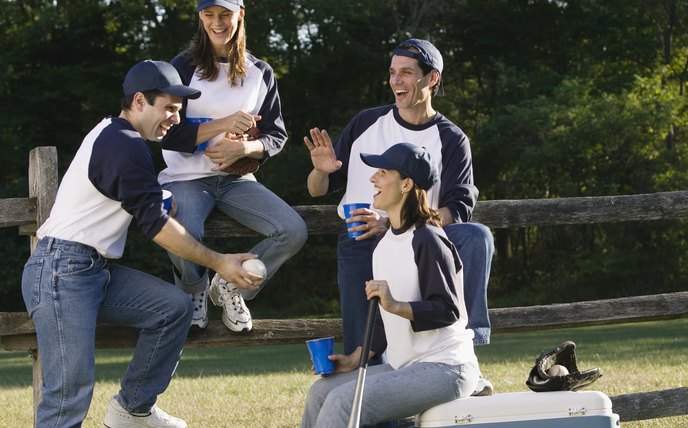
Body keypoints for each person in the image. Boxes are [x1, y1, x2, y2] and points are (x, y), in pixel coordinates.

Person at [21, 59, 259, 428]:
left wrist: (163, 198)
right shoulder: (124, 144)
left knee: (173, 308)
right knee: (68, 395)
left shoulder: (115, 135)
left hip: (89, 270)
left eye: (178, 111)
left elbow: (133, 197)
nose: (175, 119)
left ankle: (131, 409)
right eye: (169, 108)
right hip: (60, 272)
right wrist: (218, 262)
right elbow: (158, 228)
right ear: (138, 101)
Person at [304, 38, 495, 395]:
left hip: (420, 238)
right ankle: (374, 399)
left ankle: (468, 354)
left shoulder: (452, 139)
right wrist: (321, 170)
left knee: (475, 235)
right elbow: (318, 189)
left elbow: (458, 206)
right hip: (359, 237)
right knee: (366, 349)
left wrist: (398, 224)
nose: (396, 81)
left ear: (431, 79)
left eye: (406, 73)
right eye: (393, 73)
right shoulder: (366, 122)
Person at [301, 143, 480, 427]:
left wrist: (395, 304)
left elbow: (448, 310)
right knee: (322, 392)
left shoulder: (428, 239)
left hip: (447, 368)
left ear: (407, 184)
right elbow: (385, 324)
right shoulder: (383, 246)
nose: (373, 179)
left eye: (383, 172)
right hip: (405, 367)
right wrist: (354, 359)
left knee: (343, 403)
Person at [159, 0, 307, 332]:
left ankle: (230, 286)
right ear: (200, 17)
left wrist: (244, 147)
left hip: (237, 182)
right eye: (209, 14)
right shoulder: (181, 67)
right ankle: (193, 291)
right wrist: (222, 123)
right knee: (184, 231)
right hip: (185, 178)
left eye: (225, 14)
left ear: (240, 14)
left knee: (293, 230)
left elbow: (276, 137)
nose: (217, 22)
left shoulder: (260, 72)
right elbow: (166, 134)